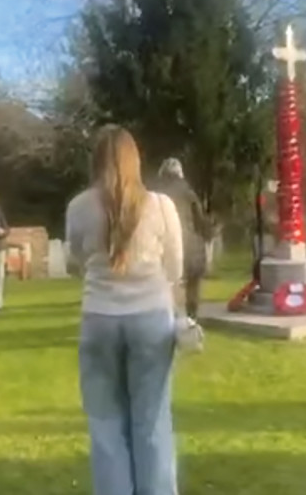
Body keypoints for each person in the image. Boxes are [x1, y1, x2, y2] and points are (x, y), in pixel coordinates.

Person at [65, 125, 184, 495]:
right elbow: (176, 267)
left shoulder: (80, 206)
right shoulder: (161, 206)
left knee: (106, 425)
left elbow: (74, 262)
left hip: (100, 318)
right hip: (151, 317)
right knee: (151, 424)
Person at [154, 157, 211, 319]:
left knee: (168, 288)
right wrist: (210, 232)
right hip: (192, 248)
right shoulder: (189, 193)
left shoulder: (157, 195)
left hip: (168, 249)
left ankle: (169, 321)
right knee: (193, 287)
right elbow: (201, 222)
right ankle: (192, 322)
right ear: (180, 174)